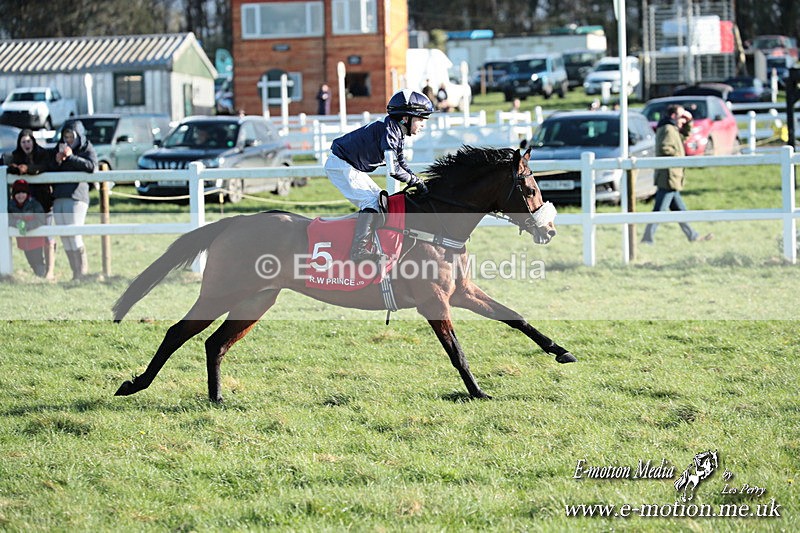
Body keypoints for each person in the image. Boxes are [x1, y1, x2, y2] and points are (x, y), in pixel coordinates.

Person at [324, 89, 433, 261]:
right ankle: (358, 251)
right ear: (406, 118)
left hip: (349, 165)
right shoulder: (391, 130)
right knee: (371, 202)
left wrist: (418, 181)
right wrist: (415, 181)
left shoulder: (396, 130)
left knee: (381, 201)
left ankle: (372, 242)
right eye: (420, 119)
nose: (423, 124)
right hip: (341, 164)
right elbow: (393, 170)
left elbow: (401, 163)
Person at [641, 105, 713, 244]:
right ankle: (647, 238)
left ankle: (693, 236)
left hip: (672, 176)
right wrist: (679, 156)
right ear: (673, 116)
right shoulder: (668, 129)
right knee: (660, 210)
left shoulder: (672, 128)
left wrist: (689, 121)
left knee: (680, 210)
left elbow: (684, 137)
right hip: (669, 176)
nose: (683, 119)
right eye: (681, 116)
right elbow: (664, 148)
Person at [7, 129, 56, 278]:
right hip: (25, 204)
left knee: (48, 237)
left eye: (29, 141)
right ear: (19, 143)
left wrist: (27, 169)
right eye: (23, 142)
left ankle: (50, 271)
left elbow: (45, 167)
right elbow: (9, 168)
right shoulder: (16, 156)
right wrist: (16, 169)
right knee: (26, 234)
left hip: (44, 201)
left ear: (33, 142)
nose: (26, 144)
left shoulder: (43, 153)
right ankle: (38, 268)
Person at [50, 120, 96, 280]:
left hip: (76, 197)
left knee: (74, 234)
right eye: (66, 136)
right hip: (58, 196)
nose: (68, 140)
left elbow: (91, 166)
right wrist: (56, 161)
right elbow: (50, 168)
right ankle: (74, 273)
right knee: (64, 236)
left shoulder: (86, 148)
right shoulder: (59, 148)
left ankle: (82, 273)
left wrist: (71, 157)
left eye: (71, 136)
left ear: (78, 136)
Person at [7, 179, 48, 278]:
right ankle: (38, 274)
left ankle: (41, 275)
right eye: (17, 193)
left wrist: (27, 226)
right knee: (30, 259)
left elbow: (41, 219)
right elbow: (8, 219)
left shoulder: (34, 204)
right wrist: (17, 223)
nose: (20, 195)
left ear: (27, 193)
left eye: (23, 192)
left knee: (38, 259)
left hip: (35, 239)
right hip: (23, 240)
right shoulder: (11, 205)